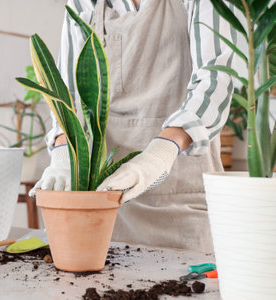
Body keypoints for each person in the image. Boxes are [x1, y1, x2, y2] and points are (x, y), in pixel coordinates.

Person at [31, 0, 235, 253]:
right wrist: (64, 152)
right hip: (105, 204)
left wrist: (158, 155)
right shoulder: (84, 3)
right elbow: (67, 96)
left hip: (182, 200)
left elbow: (216, 78)